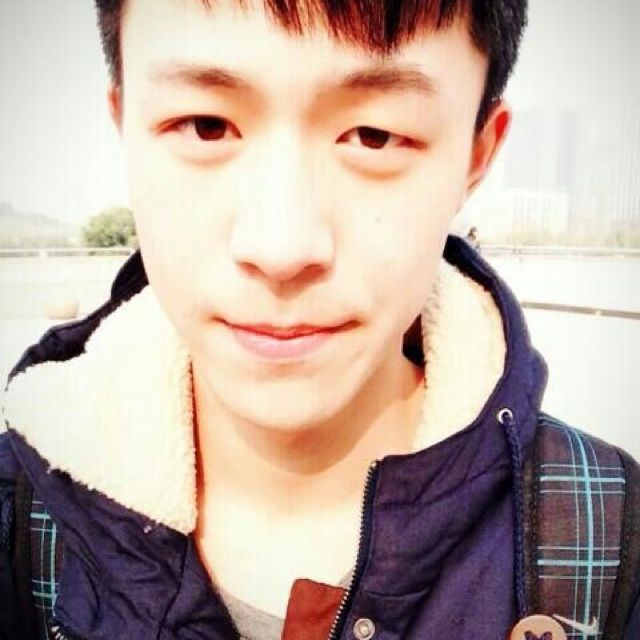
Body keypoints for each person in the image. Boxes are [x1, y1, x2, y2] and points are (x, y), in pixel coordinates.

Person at [1, 1, 638, 639]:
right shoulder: (18, 524)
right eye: (205, 126)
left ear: (476, 155)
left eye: (374, 136)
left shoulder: (606, 545)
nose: (280, 247)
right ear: (126, 129)